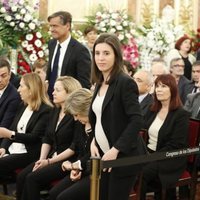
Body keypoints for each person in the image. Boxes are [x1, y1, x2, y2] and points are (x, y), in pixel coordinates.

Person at [89, 33, 144, 200]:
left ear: (116, 56)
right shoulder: (100, 82)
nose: (101, 58)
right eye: (97, 53)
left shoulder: (125, 82)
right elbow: (99, 118)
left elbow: (136, 120)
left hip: (123, 157)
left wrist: (115, 150)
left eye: (106, 53)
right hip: (104, 154)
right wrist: (94, 140)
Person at [16, 76, 82, 200]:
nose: (52, 92)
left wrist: (49, 162)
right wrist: (41, 160)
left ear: (69, 93)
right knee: (22, 176)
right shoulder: (55, 111)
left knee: (32, 178)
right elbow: (47, 138)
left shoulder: (75, 115)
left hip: (66, 160)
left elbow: (74, 147)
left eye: (57, 90)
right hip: (50, 157)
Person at [140, 74, 190, 200]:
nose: (159, 89)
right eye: (157, 86)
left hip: (169, 158)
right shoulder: (152, 109)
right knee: (126, 169)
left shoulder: (181, 114)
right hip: (149, 153)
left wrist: (150, 158)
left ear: (172, 89)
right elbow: (141, 131)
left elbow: (176, 145)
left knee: (141, 174)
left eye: (163, 86)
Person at [0, 73, 52, 180]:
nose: (18, 90)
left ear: (31, 90)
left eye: (21, 86)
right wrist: (3, 147)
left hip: (29, 153)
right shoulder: (23, 106)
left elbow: (34, 137)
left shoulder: (45, 110)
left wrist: (11, 135)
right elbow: (12, 128)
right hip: (13, 149)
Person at [49, 88, 93, 200]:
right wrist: (76, 169)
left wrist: (74, 166)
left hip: (97, 172)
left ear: (86, 109)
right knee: (54, 193)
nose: (75, 118)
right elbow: (79, 150)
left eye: (77, 114)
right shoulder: (80, 123)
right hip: (83, 168)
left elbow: (93, 155)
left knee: (64, 197)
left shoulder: (99, 125)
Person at [46, 11, 91, 99]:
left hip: (69, 102)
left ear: (67, 26)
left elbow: (84, 84)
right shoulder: (52, 44)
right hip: (50, 99)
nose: (51, 29)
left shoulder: (80, 50)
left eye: (55, 26)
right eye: (50, 26)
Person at [0, 58, 21, 129]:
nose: (0, 80)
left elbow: (4, 126)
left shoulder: (14, 97)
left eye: (3, 76)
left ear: (10, 75)